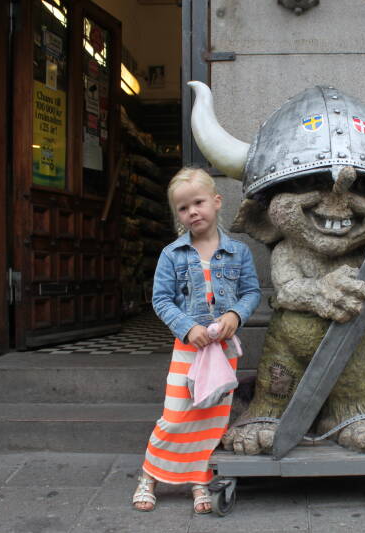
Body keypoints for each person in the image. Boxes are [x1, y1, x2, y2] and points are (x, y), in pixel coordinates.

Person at [132, 167, 261, 514]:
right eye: (183, 207)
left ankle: (199, 479)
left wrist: (235, 315)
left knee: (212, 418)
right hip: (188, 348)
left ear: (217, 202)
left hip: (222, 350)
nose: (193, 211)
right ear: (177, 214)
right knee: (176, 414)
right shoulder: (172, 254)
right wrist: (188, 328)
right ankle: (149, 475)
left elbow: (251, 292)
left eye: (199, 203)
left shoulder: (238, 252)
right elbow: (161, 300)